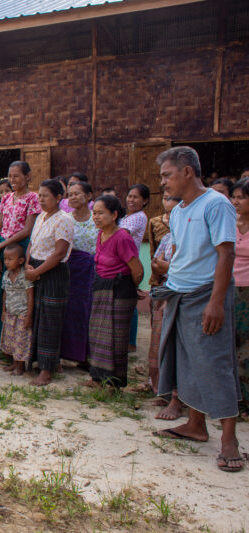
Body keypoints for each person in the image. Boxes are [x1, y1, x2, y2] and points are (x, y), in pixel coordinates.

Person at [152, 146, 243, 473]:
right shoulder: (178, 211)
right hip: (180, 294)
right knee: (186, 361)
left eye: (167, 175)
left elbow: (226, 254)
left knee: (214, 364)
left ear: (187, 171)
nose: (163, 182)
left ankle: (229, 439)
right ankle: (195, 424)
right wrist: (169, 288)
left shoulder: (216, 204)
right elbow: (182, 254)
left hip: (207, 294)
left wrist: (216, 303)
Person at [85, 195, 143, 388]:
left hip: (120, 290)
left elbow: (137, 270)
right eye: (94, 213)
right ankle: (98, 377)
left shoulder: (122, 237)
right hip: (102, 288)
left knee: (116, 338)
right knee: (98, 334)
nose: (96, 217)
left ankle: (114, 384)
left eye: (101, 213)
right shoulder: (101, 234)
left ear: (114, 214)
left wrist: (130, 289)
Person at [24, 179, 74, 386]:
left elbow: (59, 252)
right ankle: (45, 361)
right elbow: (32, 243)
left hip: (53, 272)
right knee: (37, 316)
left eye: (46, 196)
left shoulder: (64, 219)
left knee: (50, 320)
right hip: (35, 268)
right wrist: (28, 264)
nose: (41, 200)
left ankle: (47, 370)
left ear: (59, 197)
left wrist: (37, 272)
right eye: (40, 196)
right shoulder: (41, 217)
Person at [0, 162, 41, 350]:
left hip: (19, 248)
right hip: (1, 248)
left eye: (16, 175)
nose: (12, 180)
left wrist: (0, 247)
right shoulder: (6, 198)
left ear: (28, 176)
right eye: (10, 176)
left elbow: (27, 230)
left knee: (18, 295)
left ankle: (19, 342)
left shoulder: (33, 198)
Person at [148, 194, 182, 420]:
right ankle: (161, 388)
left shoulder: (190, 237)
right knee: (159, 340)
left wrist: (168, 267)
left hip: (183, 294)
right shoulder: (168, 237)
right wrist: (164, 268)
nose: (169, 218)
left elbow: (184, 267)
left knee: (178, 344)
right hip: (164, 290)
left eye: (174, 213)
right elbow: (156, 263)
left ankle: (178, 397)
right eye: (168, 214)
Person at [61, 181, 98, 365]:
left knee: (89, 311)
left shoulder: (96, 219)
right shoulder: (65, 219)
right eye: (70, 194)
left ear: (89, 196)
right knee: (70, 311)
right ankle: (69, 353)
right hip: (70, 270)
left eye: (77, 193)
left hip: (91, 271)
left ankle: (86, 356)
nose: (73, 197)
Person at [120, 183, 150, 352]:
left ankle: (131, 342)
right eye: (129, 196)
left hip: (129, 263)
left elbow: (121, 235)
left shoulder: (139, 217)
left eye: (136, 197)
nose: (131, 200)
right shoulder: (127, 216)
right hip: (121, 262)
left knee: (129, 303)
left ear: (145, 201)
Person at [0, 244, 34, 376]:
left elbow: (30, 295)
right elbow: (5, 293)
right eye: (5, 259)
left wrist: (29, 316)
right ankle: (14, 362)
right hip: (10, 312)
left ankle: (21, 366)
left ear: (20, 261)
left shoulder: (24, 275)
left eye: (10, 259)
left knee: (21, 339)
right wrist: (4, 311)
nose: (6, 262)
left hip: (22, 313)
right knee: (11, 338)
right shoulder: (6, 275)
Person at [231, 177, 249, 415]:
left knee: (246, 348)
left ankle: (245, 400)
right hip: (229, 288)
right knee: (229, 344)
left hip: (248, 292)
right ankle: (231, 398)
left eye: (241, 198)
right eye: (234, 197)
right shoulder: (229, 223)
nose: (236, 202)